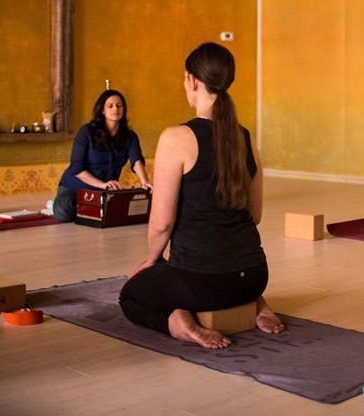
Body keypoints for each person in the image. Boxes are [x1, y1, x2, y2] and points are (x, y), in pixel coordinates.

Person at [119, 42, 283, 350]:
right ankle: (255, 303)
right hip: (254, 277)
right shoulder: (246, 138)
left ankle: (177, 323)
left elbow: (162, 224)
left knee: (130, 294)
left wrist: (151, 261)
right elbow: (255, 215)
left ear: (192, 80)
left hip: (202, 284)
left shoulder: (176, 138)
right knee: (223, 278)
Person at [52, 89, 152, 222]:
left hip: (104, 191)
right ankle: (58, 204)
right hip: (75, 187)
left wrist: (145, 182)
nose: (115, 109)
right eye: (110, 106)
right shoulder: (86, 132)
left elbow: (136, 161)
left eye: (119, 105)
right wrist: (102, 185)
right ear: (102, 110)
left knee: (120, 212)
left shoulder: (130, 136)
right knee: (64, 212)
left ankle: (88, 208)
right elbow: (77, 168)